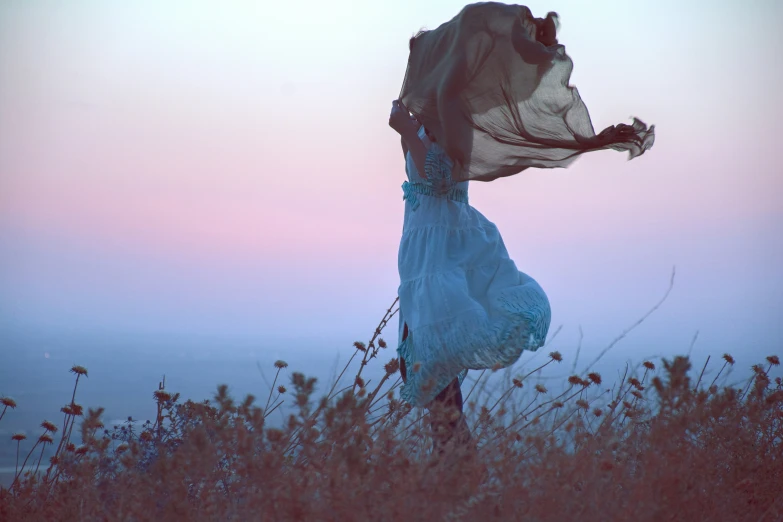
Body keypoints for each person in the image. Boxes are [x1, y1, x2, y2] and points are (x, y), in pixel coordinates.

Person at [389, 99, 552, 456]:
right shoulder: (428, 124)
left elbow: (440, 179)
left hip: (439, 259)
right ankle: (452, 466)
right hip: (422, 259)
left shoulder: (454, 124)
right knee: (417, 367)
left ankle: (457, 469)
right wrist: (408, 130)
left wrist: (404, 130)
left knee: (431, 370)